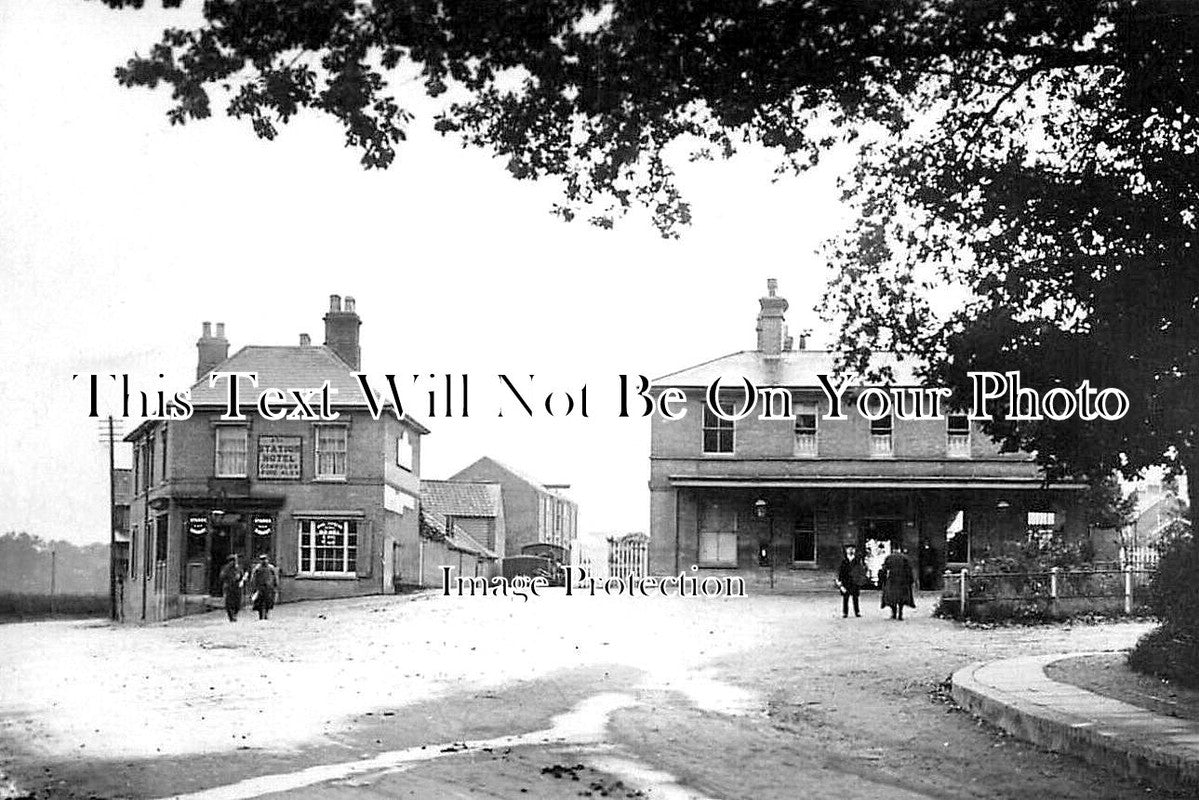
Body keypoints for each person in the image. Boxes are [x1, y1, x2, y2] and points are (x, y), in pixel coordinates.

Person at [878, 545, 917, 620]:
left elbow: (884, 569)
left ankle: (894, 613)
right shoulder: (904, 558)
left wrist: (882, 579)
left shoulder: (889, 557)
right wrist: (911, 580)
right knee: (901, 597)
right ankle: (900, 614)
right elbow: (909, 569)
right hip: (902, 580)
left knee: (892, 597)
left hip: (892, 579)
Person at [835, 544, 868, 618]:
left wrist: (860, 580)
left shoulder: (857, 560)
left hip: (855, 581)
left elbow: (860, 571)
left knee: (855, 598)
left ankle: (857, 612)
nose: (851, 550)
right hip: (846, 581)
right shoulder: (844, 561)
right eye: (849, 549)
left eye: (852, 549)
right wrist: (840, 582)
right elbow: (841, 572)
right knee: (845, 598)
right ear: (846, 551)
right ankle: (845, 612)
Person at [248, 554, 280, 620]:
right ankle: (261, 614)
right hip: (260, 588)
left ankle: (266, 614)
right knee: (259, 601)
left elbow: (275, 577)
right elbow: (253, 578)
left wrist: (275, 585)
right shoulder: (257, 568)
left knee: (268, 601)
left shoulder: (271, 568)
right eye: (262, 560)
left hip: (269, 587)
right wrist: (253, 587)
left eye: (265, 559)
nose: (264, 561)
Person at [218, 554, 245, 622]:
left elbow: (242, 576)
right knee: (229, 603)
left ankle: (235, 614)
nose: (233, 562)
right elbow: (222, 577)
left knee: (237, 603)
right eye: (232, 561)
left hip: (237, 587)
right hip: (229, 587)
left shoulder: (238, 568)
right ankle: (231, 616)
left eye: (234, 561)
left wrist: (241, 579)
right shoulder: (225, 568)